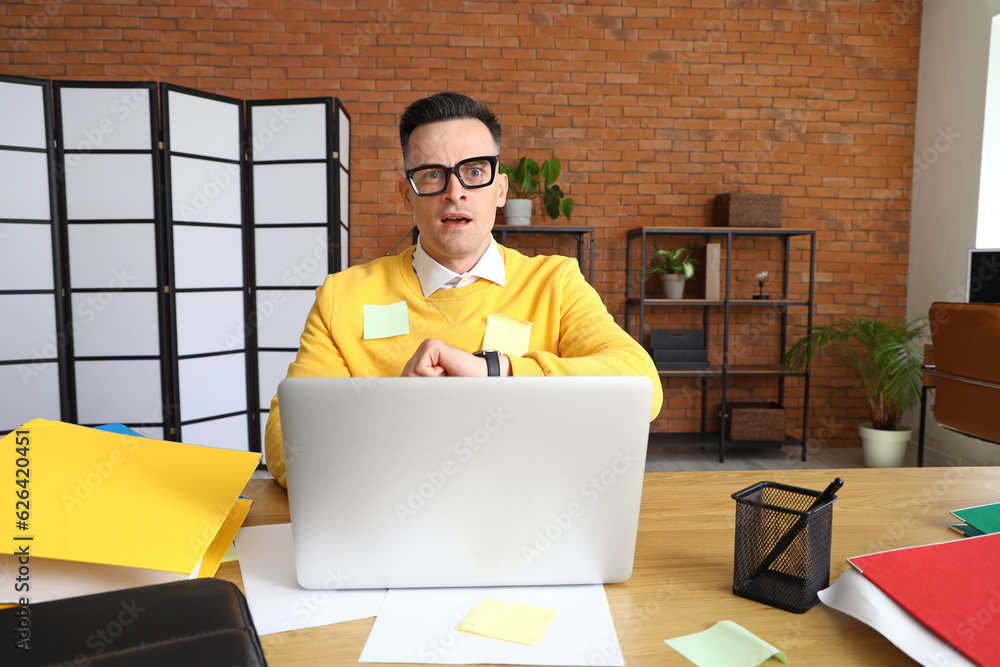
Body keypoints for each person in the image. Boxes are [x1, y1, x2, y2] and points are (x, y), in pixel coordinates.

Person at [264, 91, 663, 486]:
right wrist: (396, 406)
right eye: (433, 174)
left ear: (501, 189)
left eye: (474, 171)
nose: (455, 192)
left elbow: (641, 387)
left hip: (530, 512)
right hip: (388, 518)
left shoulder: (555, 283)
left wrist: (497, 371)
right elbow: (286, 444)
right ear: (408, 194)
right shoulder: (343, 296)